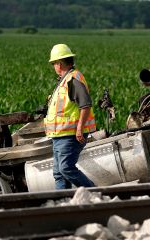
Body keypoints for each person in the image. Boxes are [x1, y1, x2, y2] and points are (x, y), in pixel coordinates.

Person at [44, 44, 96, 189]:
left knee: (66, 168)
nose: (54, 66)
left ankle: (95, 192)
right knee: (59, 173)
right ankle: (63, 205)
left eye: (54, 63)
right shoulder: (64, 80)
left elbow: (85, 105)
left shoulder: (73, 80)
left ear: (59, 64)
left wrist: (79, 129)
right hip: (59, 135)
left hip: (70, 135)